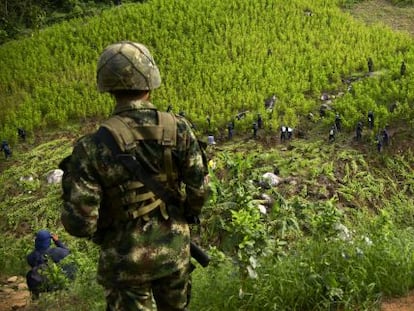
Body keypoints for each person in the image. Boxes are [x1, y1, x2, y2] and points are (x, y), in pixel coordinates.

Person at [59, 41, 209, 311]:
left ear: (108, 88)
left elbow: (80, 224)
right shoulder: (179, 130)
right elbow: (199, 190)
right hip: (174, 252)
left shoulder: (91, 147)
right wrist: (183, 213)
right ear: (150, 81)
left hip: (123, 260)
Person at [26, 230, 73, 299]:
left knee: (31, 274)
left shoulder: (30, 256)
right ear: (49, 241)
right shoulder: (57, 252)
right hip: (53, 284)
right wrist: (57, 242)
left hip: (38, 285)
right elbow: (68, 252)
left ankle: (35, 297)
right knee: (70, 267)